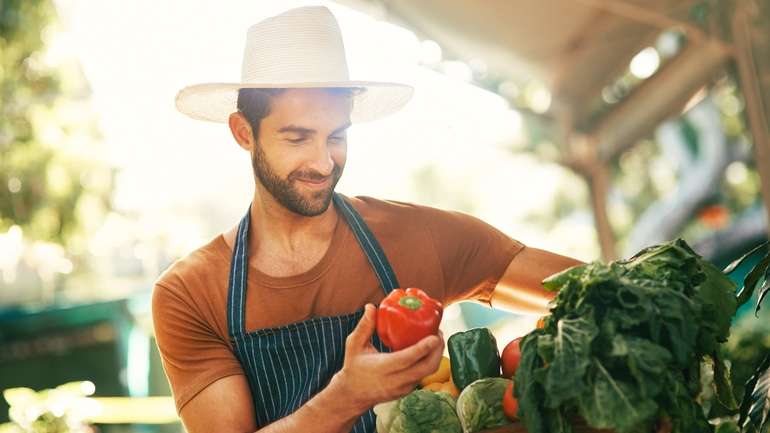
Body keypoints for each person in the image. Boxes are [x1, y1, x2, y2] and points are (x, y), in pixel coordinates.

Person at [152, 5, 583, 433]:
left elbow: (588, 288)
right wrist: (348, 397)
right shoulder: (190, 294)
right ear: (244, 132)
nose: (323, 162)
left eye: (336, 136)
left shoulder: (415, 237)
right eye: (298, 137)